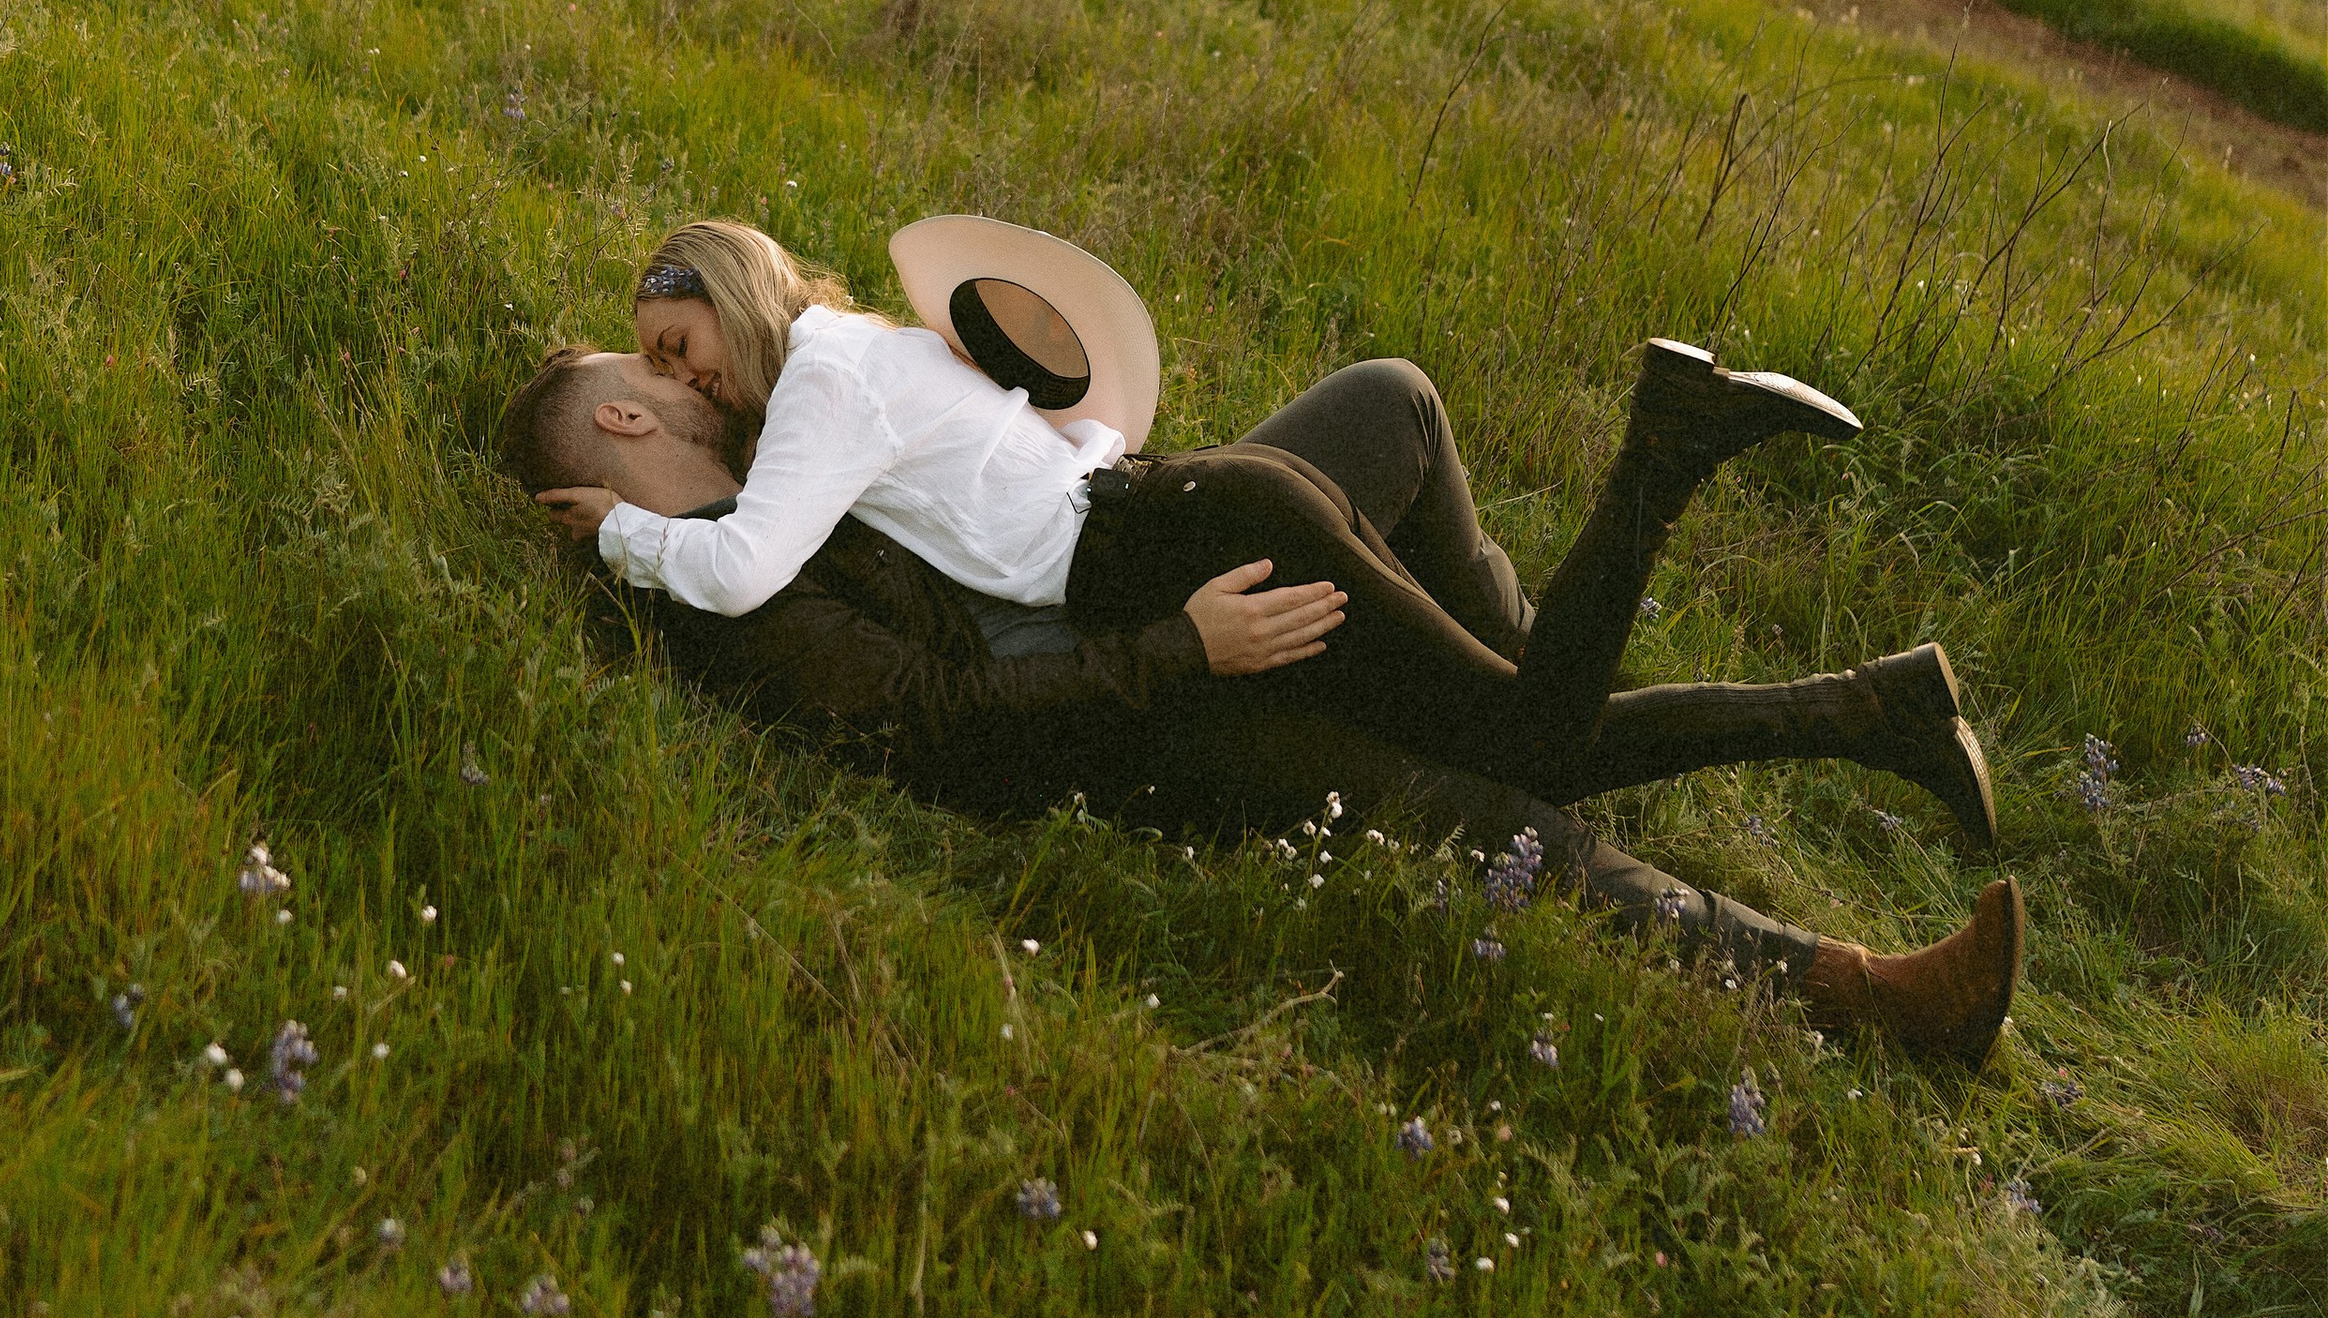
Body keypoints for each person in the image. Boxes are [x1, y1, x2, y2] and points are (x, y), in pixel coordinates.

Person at [508, 300, 2024, 1067]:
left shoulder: (778, 458)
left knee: (1389, 408)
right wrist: (1185, 654)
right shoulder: (727, 584)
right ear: (625, 428)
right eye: (650, 371)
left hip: (1139, 562)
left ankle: (1794, 707)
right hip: (1143, 716)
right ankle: (1860, 989)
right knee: (1478, 789)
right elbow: (937, 734)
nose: (686, 375)